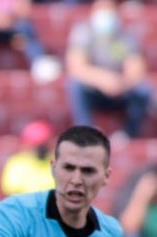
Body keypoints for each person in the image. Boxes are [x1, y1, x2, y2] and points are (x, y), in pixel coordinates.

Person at [65, 0, 152, 141]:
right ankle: (85, 133)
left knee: (143, 91)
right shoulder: (84, 32)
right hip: (94, 90)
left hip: (121, 91)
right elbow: (76, 66)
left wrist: (121, 82)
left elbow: (136, 68)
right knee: (76, 86)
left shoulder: (124, 36)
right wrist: (102, 79)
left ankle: (129, 135)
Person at [0, 0, 60, 82]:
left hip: (12, 26)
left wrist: (7, 18)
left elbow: (25, 9)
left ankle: (39, 60)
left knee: (25, 26)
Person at [1, 119, 55, 197]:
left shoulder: (56, 163)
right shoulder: (17, 164)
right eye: (37, 145)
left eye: (44, 145)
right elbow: (11, 193)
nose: (41, 149)